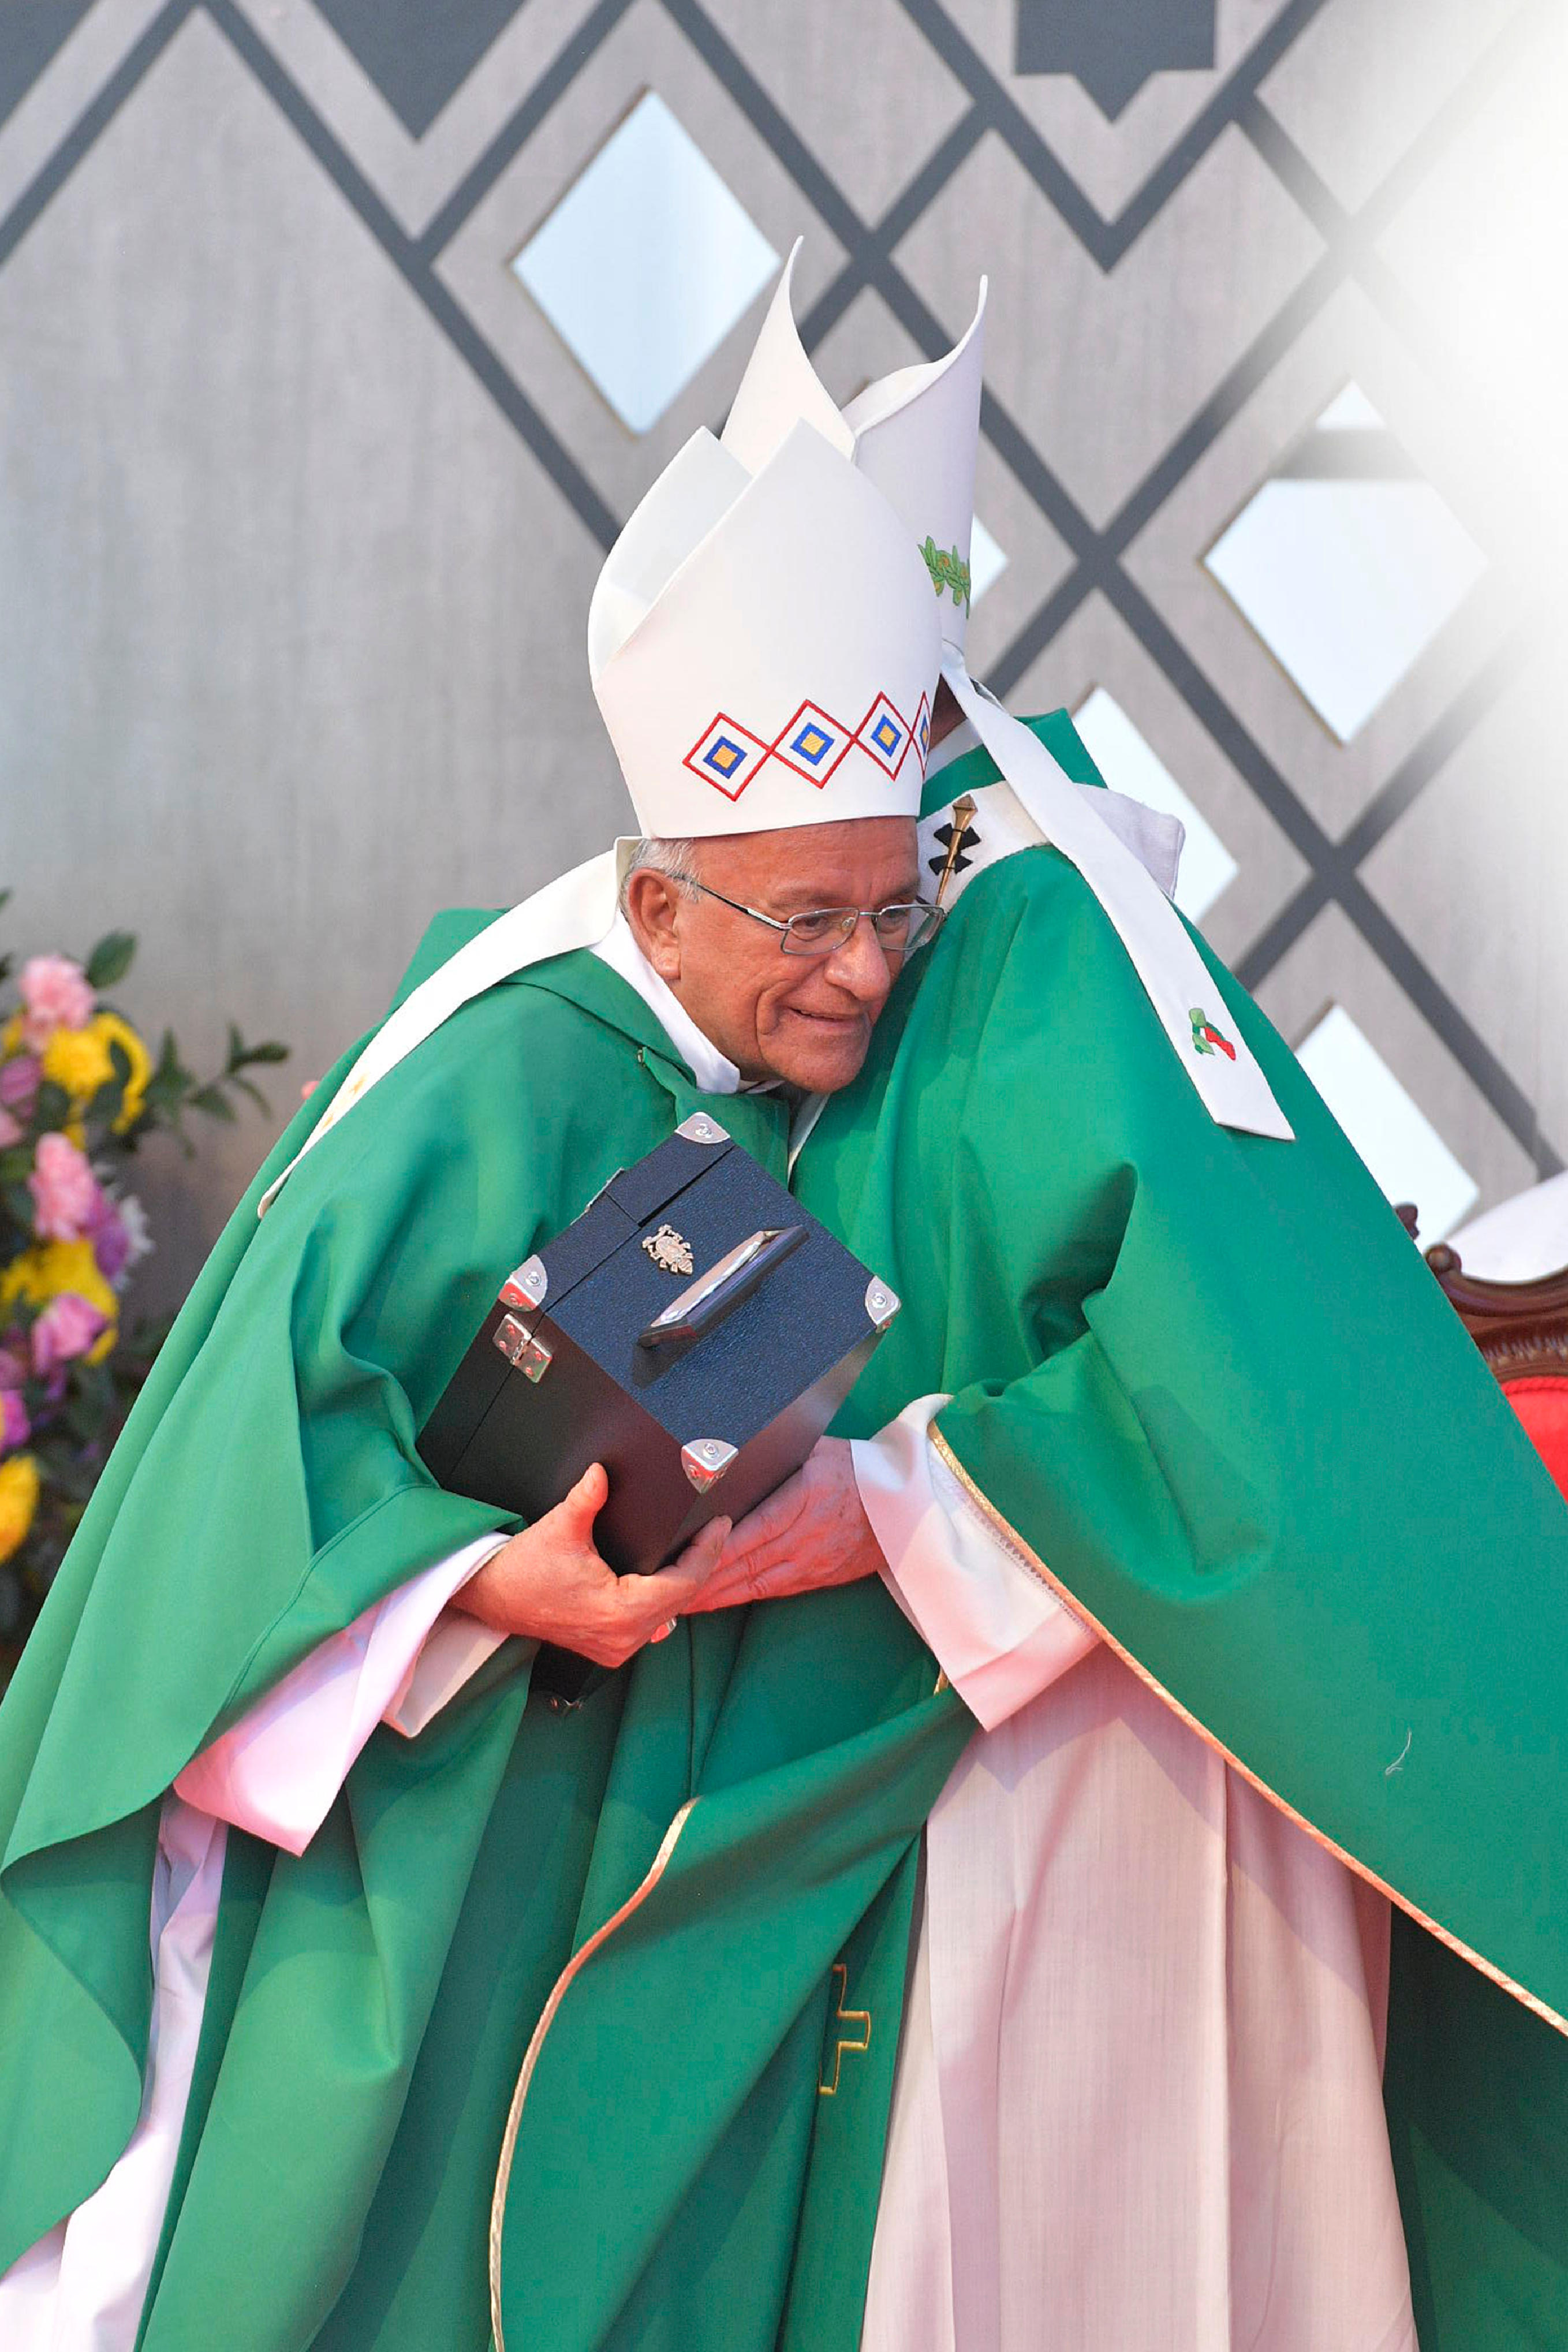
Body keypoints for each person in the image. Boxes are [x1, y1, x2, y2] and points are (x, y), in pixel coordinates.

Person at [658, 247, 1568, 2350]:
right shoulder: (808, 911)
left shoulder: (1048, 921)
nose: (852, 950)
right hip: (900, 1707)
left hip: (1102, 1739)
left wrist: (891, 1499)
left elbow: (1229, 1372)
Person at [0, 417, 980, 2350]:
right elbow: (240, 1490)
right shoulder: (501, 1074)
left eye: (892, 911)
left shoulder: (749, 1059)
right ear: (663, 900)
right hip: (394, 1835)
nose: (865, 976)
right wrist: (470, 1583)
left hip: (584, 1825)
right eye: (807, 920)